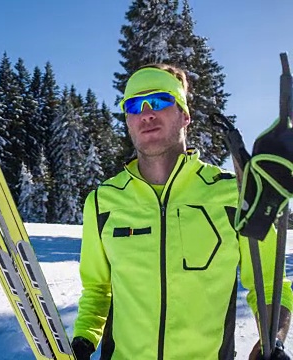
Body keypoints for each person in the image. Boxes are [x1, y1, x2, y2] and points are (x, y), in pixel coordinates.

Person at [70, 64, 293, 360]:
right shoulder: (102, 202)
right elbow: (97, 289)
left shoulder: (232, 194)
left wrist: (272, 340)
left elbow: (268, 283)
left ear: (184, 115)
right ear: (127, 120)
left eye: (160, 101)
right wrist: (83, 342)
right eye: (134, 105)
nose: (147, 113)